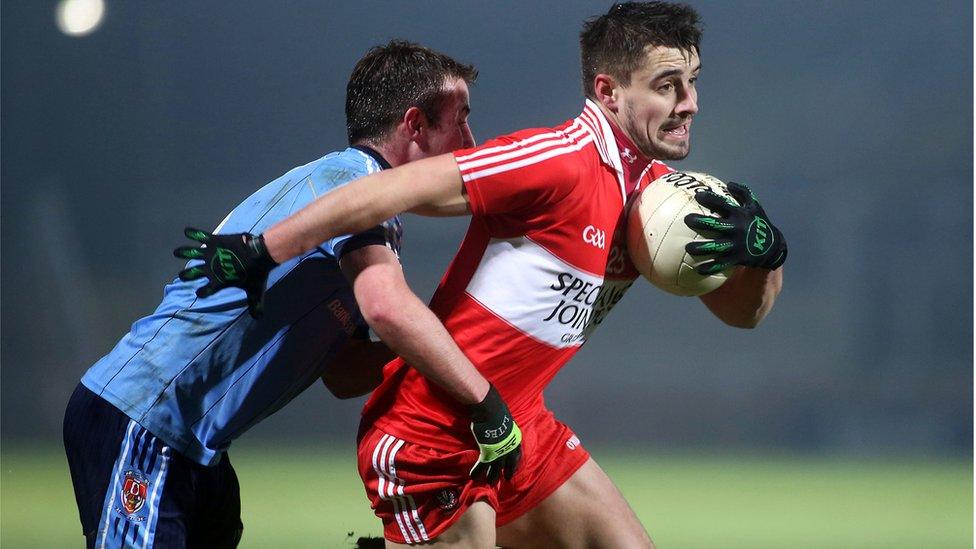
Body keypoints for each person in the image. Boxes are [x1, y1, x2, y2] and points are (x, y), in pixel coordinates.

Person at [178, 2, 788, 547]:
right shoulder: (558, 161)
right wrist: (265, 249)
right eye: (668, 85)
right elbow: (386, 189)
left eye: (693, 83)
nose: (690, 103)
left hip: (520, 429)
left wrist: (766, 254)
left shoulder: (664, 202)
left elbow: (746, 314)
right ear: (607, 90)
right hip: (429, 437)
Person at [64, 40, 524, 549]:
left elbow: (345, 373)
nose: (472, 140)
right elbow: (387, 308)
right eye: (460, 119)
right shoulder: (352, 187)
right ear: (415, 126)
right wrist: (483, 400)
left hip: (194, 444)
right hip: (145, 417)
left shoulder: (358, 198)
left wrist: (441, 345)